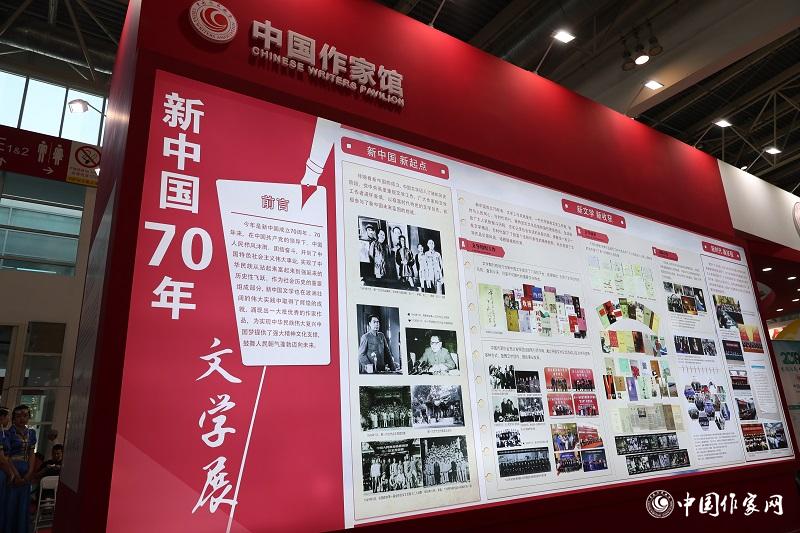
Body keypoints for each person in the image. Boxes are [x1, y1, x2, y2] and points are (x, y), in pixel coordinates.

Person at [5, 405, 37, 533]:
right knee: (10, 503)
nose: (22, 419)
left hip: (26, 472)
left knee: (23, 504)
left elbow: (32, 453)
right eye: (18, 416)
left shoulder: (32, 433)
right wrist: (16, 475)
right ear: (13, 418)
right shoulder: (8, 433)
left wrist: (30, 472)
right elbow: (7, 457)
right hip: (12, 471)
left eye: (25, 416)